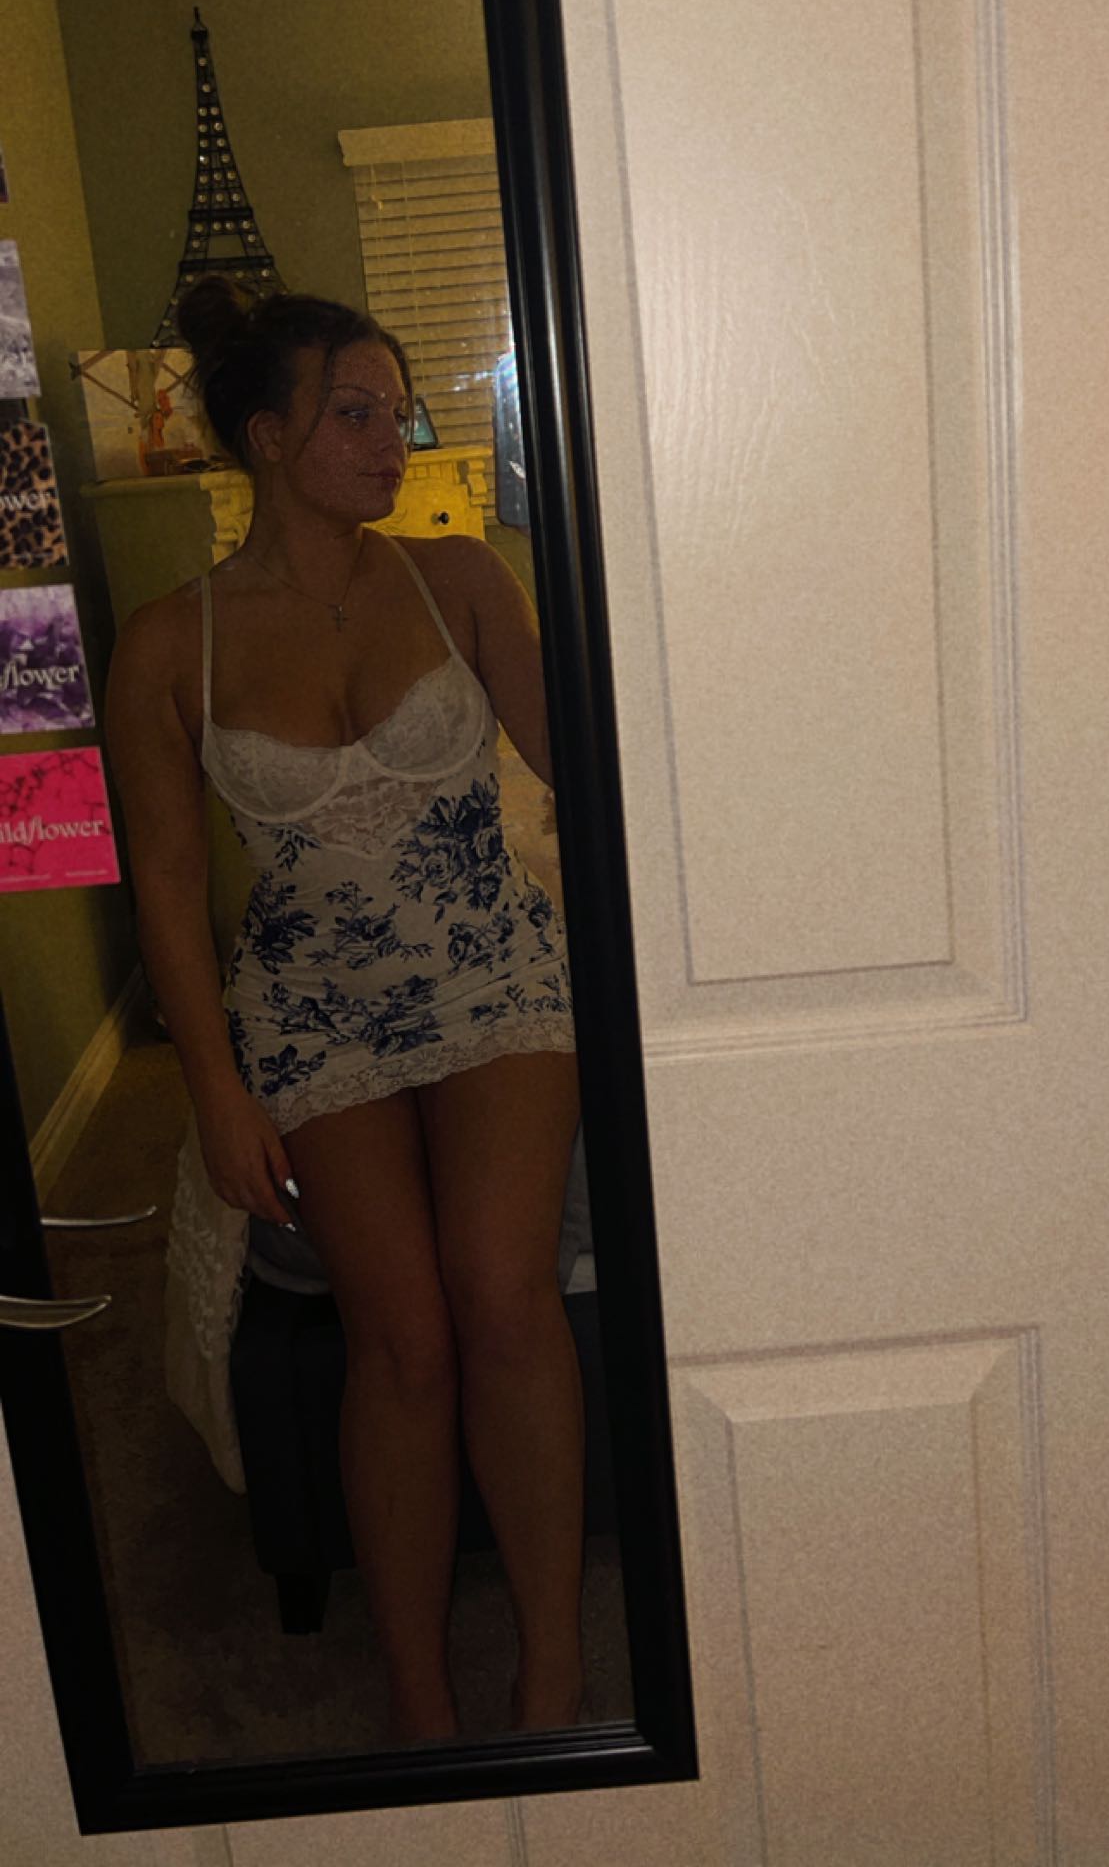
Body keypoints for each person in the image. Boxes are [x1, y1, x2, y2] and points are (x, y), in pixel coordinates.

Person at [105, 275, 584, 1741]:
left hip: (493, 965)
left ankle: (555, 1667)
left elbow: (585, 777)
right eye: (357, 415)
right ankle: (419, 1691)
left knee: (503, 1295)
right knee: (402, 1339)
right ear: (268, 438)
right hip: (311, 1009)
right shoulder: (165, 648)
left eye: (398, 412)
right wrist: (215, 1092)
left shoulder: (458, 579)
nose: (394, 443)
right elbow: (168, 895)